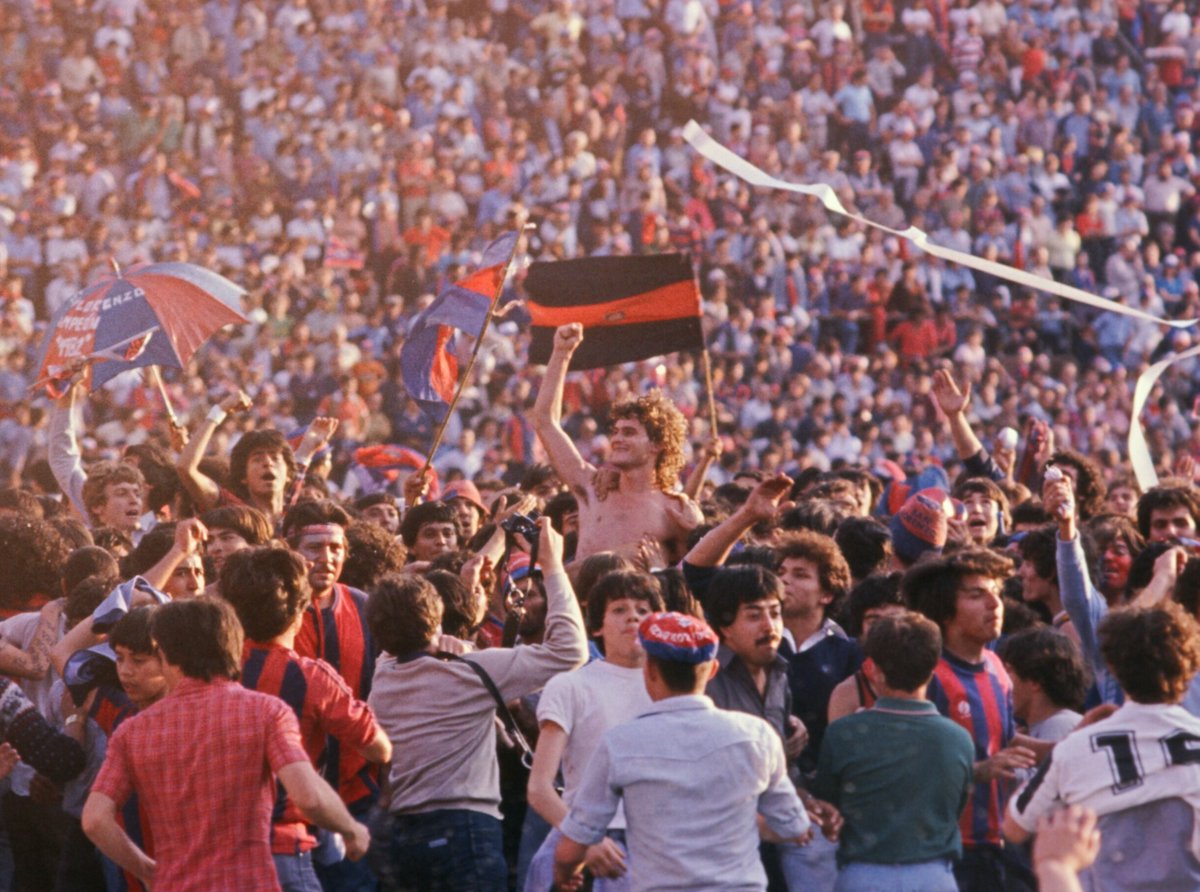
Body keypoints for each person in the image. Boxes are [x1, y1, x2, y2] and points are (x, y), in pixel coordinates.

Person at [81, 598, 370, 892]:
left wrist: (146, 869)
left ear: (166, 655)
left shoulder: (132, 732)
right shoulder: (267, 712)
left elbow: (94, 819)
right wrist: (351, 828)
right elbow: (308, 796)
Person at [367, 519, 587, 890]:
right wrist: (551, 566)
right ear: (435, 618)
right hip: (466, 830)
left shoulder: (383, 676)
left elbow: (402, 635)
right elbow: (569, 650)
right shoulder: (471, 672)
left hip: (403, 837)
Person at [552, 611, 812, 891]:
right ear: (712, 670)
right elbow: (794, 827)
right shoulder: (757, 735)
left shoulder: (620, 744)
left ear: (649, 669)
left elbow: (575, 842)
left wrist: (564, 873)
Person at [221, 545, 392, 892]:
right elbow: (379, 749)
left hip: (218, 847)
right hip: (284, 843)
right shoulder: (310, 677)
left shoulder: (212, 672)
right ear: (300, 610)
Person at [1005, 604, 1200, 890]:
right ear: (1190, 663)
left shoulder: (1075, 748)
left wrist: (1074, 739)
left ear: (1112, 665)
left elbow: (1015, 825)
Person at [903, 548, 1036, 892]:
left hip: (1001, 844)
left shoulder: (996, 666)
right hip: (947, 850)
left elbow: (1002, 742)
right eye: (977, 594)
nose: (995, 603)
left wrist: (1072, 742)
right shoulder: (927, 676)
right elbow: (909, 766)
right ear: (944, 610)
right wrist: (980, 770)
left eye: (996, 591)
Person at [813, 611, 974, 891]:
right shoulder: (959, 738)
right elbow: (955, 807)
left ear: (873, 669)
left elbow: (827, 802)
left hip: (863, 874)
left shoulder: (843, 733)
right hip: (934, 876)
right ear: (933, 667)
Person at [524, 569, 664, 890]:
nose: (633, 618)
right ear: (598, 626)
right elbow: (539, 788)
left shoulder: (677, 687)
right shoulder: (571, 685)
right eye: (619, 609)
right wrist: (583, 840)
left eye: (643, 610)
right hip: (586, 835)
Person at [532, 323, 702, 564]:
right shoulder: (592, 489)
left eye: (629, 432)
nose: (617, 439)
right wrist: (561, 353)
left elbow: (691, 584)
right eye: (616, 431)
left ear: (657, 445)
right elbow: (545, 421)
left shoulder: (676, 512)